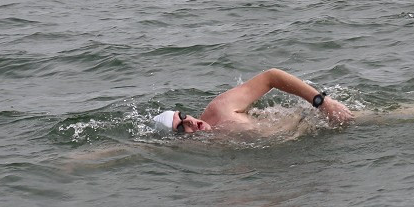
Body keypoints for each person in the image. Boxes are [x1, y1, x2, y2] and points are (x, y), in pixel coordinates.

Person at [151, 68, 354, 135]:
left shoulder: (220, 109)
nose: (190, 122)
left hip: (317, 120)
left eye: (183, 116)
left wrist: (322, 102)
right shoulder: (211, 151)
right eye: (180, 128)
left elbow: (272, 76)